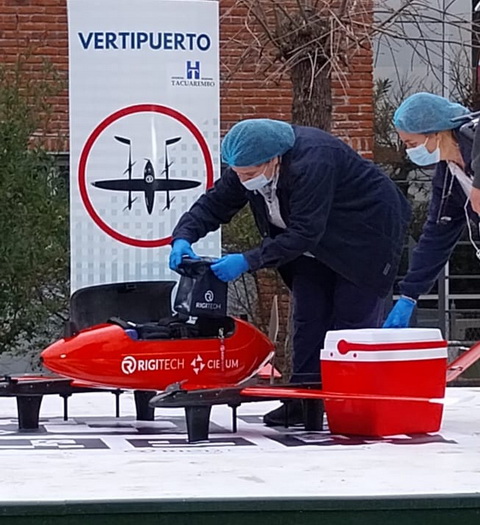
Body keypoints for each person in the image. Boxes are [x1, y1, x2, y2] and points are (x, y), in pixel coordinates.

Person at [169, 118, 411, 426]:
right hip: (312, 245)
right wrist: (182, 238)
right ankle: (302, 403)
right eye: (239, 174)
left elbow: (305, 232)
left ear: (274, 159)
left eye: (251, 174)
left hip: (365, 235)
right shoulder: (247, 165)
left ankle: (352, 406)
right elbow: (214, 204)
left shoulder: (313, 161)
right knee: (308, 317)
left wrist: (247, 260)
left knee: (352, 324)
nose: (244, 181)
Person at [383, 92, 477, 328]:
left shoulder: (472, 137)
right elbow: (436, 237)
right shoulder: (448, 179)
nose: (409, 153)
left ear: (436, 132)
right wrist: (409, 295)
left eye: (411, 144)